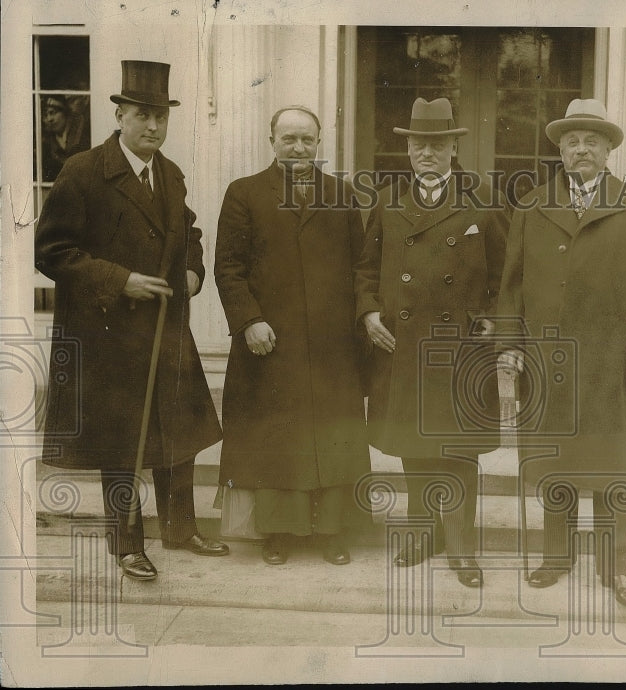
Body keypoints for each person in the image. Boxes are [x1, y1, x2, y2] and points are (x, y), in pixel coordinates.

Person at [35, 60, 229, 582]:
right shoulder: (83, 171)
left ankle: (181, 530)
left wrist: (192, 271)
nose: (153, 127)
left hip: (166, 327)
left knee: (179, 433)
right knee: (121, 444)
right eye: (142, 115)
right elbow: (52, 252)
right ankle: (126, 544)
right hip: (106, 334)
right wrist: (120, 279)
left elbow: (189, 233)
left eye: (161, 117)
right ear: (119, 115)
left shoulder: (170, 174)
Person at [497, 98, 626, 607]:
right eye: (571, 141)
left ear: (608, 150)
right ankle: (556, 557)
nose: (581, 149)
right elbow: (511, 284)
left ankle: (616, 568)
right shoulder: (532, 205)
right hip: (550, 358)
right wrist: (510, 344)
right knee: (554, 460)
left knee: (615, 464)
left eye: (592, 141)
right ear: (560, 150)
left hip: (615, 357)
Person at [356, 97, 509, 588]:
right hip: (403, 343)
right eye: (418, 143)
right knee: (414, 445)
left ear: (451, 147)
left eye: (436, 143)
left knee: (459, 451)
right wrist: (368, 311)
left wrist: (493, 320)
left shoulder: (482, 199)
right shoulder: (385, 201)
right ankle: (425, 534)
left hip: (460, 345)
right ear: (408, 148)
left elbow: (508, 273)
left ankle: (462, 548)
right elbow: (363, 269)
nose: (426, 151)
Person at [215, 105, 371, 566]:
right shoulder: (243, 194)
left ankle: (333, 533)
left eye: (307, 139)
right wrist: (248, 320)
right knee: (278, 443)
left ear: (319, 143)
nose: (299, 148)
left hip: (331, 348)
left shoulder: (342, 195)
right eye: (289, 139)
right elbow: (229, 268)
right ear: (272, 143)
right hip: (269, 342)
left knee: (332, 441)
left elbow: (362, 266)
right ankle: (277, 533)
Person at [39, 94, 89, 182]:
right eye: (45, 115)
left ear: (65, 113)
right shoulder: (46, 143)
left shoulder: (81, 135)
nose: (49, 119)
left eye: (52, 113)